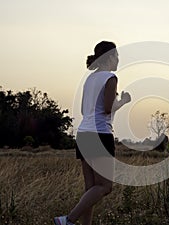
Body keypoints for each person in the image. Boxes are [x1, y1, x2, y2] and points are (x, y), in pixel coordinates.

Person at [54, 41, 131, 225]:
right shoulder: (110, 78)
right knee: (105, 186)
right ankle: (68, 220)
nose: (118, 60)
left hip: (84, 133)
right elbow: (107, 109)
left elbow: (83, 109)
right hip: (100, 134)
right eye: (117, 56)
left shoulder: (89, 79)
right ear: (109, 57)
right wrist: (124, 101)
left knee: (91, 188)